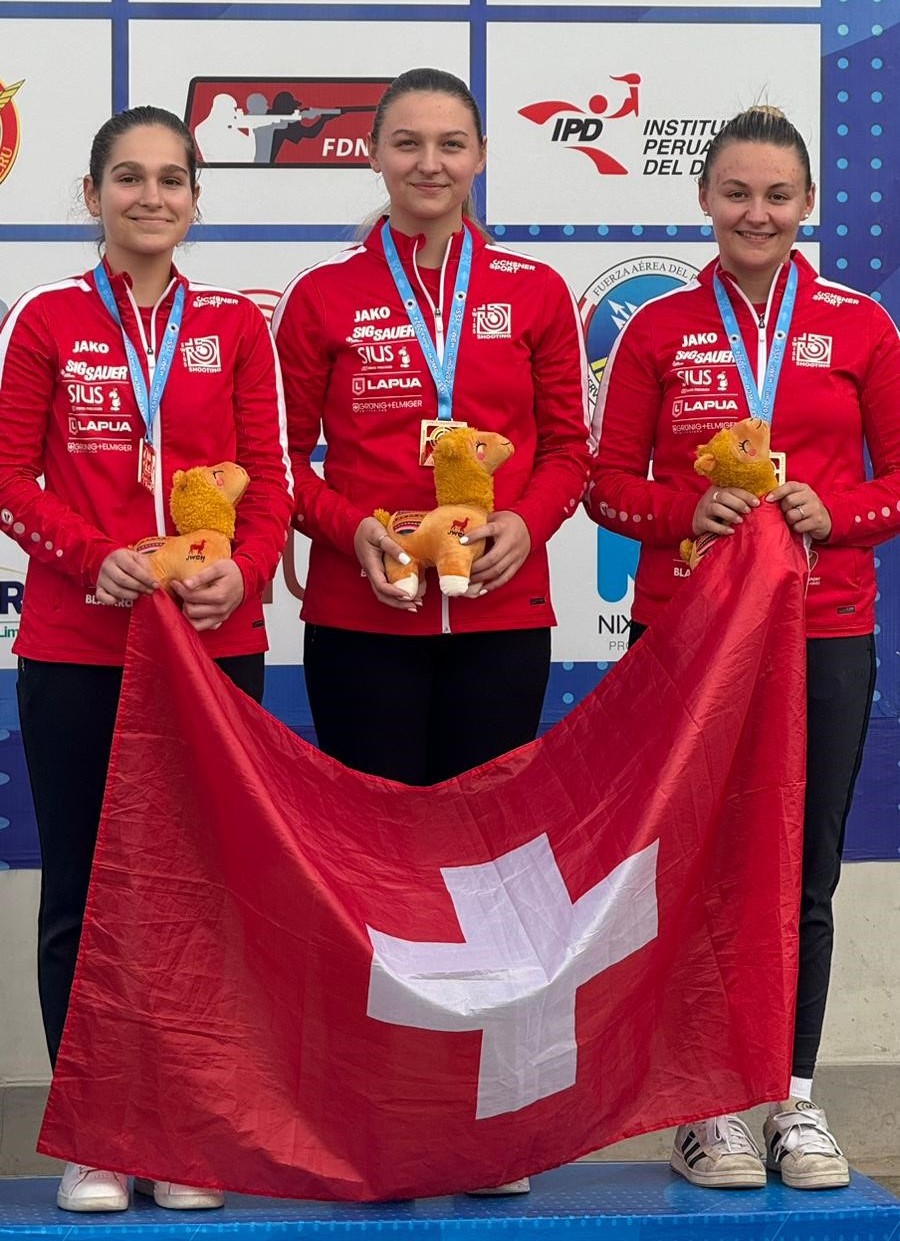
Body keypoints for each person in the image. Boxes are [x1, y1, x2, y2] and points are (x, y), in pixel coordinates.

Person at [273, 67, 590, 1193]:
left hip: (503, 614)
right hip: (365, 617)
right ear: (374, 156)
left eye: (450, 144)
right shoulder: (319, 297)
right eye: (407, 144)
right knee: (373, 864)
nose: (430, 165)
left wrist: (526, 522)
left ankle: (485, 1112)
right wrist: (355, 529)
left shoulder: (537, 290)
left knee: (489, 865)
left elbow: (569, 451)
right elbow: (281, 467)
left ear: (481, 156)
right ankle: (377, 1099)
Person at [586, 105, 900, 1191]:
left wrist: (836, 510)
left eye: (777, 195)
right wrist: (685, 512)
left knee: (802, 872)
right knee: (692, 865)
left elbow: (898, 481)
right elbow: (603, 483)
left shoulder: (861, 325)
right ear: (705, 201)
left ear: (808, 205)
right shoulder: (659, 327)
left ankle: (794, 1099)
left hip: (822, 629)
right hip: (686, 638)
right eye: (736, 193)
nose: (756, 213)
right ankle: (704, 1107)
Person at [0, 106, 293, 1212]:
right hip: (80, 640)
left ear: (196, 201)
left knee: (202, 886)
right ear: (91, 196)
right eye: (130, 177)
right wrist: (89, 558)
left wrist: (245, 573)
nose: (152, 196)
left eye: (173, 179)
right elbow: (9, 472)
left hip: (215, 645)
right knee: (83, 884)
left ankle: (186, 1128)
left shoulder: (236, 324)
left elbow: (272, 477)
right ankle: (97, 1130)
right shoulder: (44, 319)